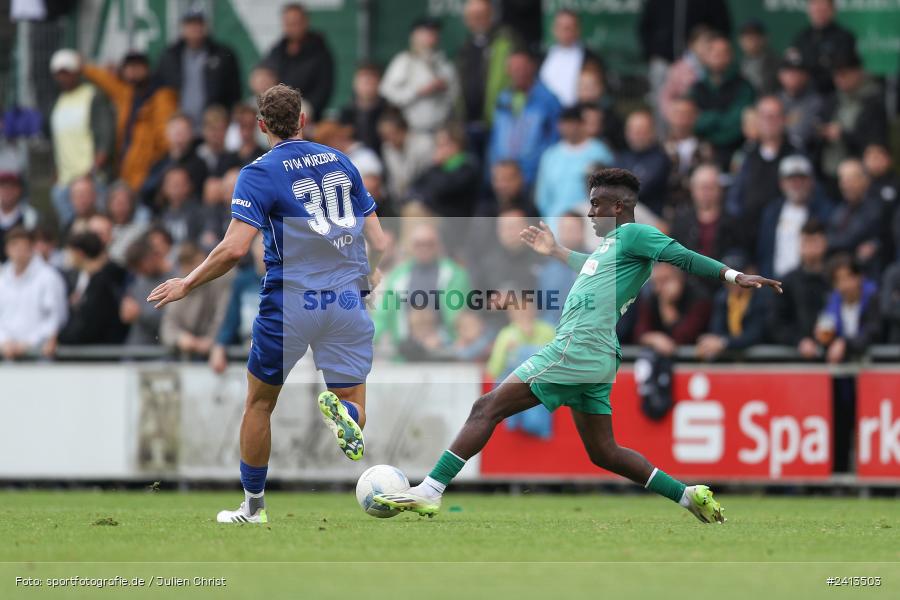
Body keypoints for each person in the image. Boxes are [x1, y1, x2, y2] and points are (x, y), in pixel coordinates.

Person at [375, 169, 781, 522]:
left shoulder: (637, 234)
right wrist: (555, 251)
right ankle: (687, 495)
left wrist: (733, 276)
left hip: (577, 347)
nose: (589, 213)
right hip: (598, 355)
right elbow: (590, 267)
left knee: (487, 407)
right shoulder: (611, 248)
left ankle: (429, 490)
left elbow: (681, 255)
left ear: (619, 207)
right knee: (604, 451)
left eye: (596, 205)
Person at [146, 84, 389, 524]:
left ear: (261, 126)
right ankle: (346, 414)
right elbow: (381, 241)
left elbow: (235, 249)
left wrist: (188, 282)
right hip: (346, 298)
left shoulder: (258, 173)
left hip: (291, 302)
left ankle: (253, 508)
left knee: (259, 405)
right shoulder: (342, 160)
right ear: (302, 120)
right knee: (353, 397)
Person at [82, 51, 178, 191]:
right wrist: (84, 67)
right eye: (129, 67)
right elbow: (106, 80)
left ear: (147, 69)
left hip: (148, 172)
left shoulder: (161, 97)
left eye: (138, 67)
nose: (133, 72)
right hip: (125, 171)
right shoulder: (127, 94)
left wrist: (154, 166)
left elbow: (166, 139)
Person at [48, 49, 115, 227]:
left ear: (77, 72)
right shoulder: (58, 101)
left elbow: (105, 136)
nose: (63, 77)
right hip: (65, 181)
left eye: (67, 72)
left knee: (96, 226)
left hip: (91, 179)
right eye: (59, 73)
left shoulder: (93, 95)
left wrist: (92, 171)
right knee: (72, 230)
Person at [725, 96, 796, 252]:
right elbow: (735, 198)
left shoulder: (795, 154)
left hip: (784, 236)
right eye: (764, 116)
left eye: (774, 116)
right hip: (748, 238)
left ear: (784, 120)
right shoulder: (746, 155)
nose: (769, 121)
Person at [155, 8, 241, 131]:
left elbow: (234, 93)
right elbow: (161, 91)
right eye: (191, 24)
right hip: (180, 129)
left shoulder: (222, 55)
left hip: (213, 128)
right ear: (183, 27)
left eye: (199, 23)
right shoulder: (170, 56)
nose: (195, 28)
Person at [487, 50, 562, 186]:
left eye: (522, 67)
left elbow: (555, 140)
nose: (518, 72)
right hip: (504, 179)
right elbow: (495, 138)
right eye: (513, 68)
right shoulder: (503, 98)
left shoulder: (548, 100)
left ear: (532, 67)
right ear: (507, 71)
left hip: (534, 178)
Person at [379, 18, 458, 146]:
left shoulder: (444, 64)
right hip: (411, 133)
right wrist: (419, 91)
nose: (431, 36)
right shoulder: (404, 61)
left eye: (434, 32)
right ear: (414, 35)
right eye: (426, 32)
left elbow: (455, 97)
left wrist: (443, 88)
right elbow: (387, 92)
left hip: (441, 133)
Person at [457, 0, 521, 152]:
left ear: (491, 15)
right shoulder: (464, 46)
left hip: (498, 123)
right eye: (472, 16)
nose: (477, 20)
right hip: (468, 124)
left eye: (481, 15)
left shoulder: (506, 40)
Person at [757, 155, 833, 279]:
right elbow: (764, 251)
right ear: (782, 183)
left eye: (802, 179)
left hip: (807, 283)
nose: (797, 184)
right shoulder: (772, 212)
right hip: (774, 282)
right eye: (791, 179)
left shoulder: (824, 211)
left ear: (811, 182)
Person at [535, 105, 614, 223]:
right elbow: (543, 196)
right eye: (564, 124)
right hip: (557, 222)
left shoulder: (600, 152)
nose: (568, 128)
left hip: (591, 221)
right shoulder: (550, 155)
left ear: (582, 124)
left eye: (572, 123)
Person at [819, 50, 888, 181]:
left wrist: (843, 135)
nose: (839, 79)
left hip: (861, 174)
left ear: (857, 72)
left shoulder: (874, 101)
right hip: (829, 171)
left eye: (844, 74)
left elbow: (875, 143)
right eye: (836, 75)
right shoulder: (833, 99)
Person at [0, 227, 67, 360]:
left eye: (23, 247)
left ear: (31, 249)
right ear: (7, 249)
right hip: (5, 354)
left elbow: (56, 317)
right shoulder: (2, 277)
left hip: (38, 356)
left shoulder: (49, 277)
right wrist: (4, 341)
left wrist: (28, 344)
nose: (18, 251)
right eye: (14, 246)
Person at [690, 35, 756, 168]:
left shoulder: (743, 86)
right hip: (701, 149)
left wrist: (709, 120)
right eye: (713, 52)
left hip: (736, 150)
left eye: (723, 53)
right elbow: (693, 122)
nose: (718, 56)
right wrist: (720, 118)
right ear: (705, 56)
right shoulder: (697, 87)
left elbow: (737, 123)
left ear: (730, 56)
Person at [261, 3, 335, 119]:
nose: (292, 27)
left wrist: (307, 110)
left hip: (305, 113)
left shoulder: (319, 51)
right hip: (276, 110)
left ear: (306, 22)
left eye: (296, 23)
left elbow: (323, 90)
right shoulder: (278, 49)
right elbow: (265, 72)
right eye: (288, 23)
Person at [769, 219, 831, 358]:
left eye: (814, 241)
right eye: (805, 242)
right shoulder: (787, 282)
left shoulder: (835, 279)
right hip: (798, 359)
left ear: (824, 243)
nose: (810, 248)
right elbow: (776, 323)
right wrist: (798, 341)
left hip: (835, 356)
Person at [160, 243, 232, 358]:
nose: (196, 268)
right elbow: (168, 326)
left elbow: (223, 317)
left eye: (197, 262)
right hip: (185, 355)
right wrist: (179, 338)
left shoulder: (222, 281)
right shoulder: (178, 285)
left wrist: (212, 340)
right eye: (188, 264)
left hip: (219, 351)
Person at [58, 231, 128, 345]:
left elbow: (91, 325)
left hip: (100, 352)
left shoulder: (103, 282)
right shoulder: (80, 278)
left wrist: (60, 338)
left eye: (70, 253)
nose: (68, 257)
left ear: (79, 254)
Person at [696, 260, 772, 361]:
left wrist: (724, 342)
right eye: (728, 275)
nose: (733, 280)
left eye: (737, 275)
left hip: (760, 361)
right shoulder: (722, 298)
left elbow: (755, 334)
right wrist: (711, 341)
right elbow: (716, 329)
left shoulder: (762, 297)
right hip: (730, 361)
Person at [633, 262, 712, 356]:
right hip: (660, 356)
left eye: (664, 281)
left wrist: (667, 305)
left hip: (697, 360)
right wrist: (654, 339)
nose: (658, 288)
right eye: (655, 282)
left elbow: (682, 338)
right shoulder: (651, 296)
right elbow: (639, 332)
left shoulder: (699, 299)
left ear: (679, 279)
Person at [816, 254, 880, 363]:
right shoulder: (830, 304)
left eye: (848, 277)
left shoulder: (873, 299)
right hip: (840, 370)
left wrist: (845, 344)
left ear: (859, 277)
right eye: (838, 280)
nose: (844, 285)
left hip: (872, 369)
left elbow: (873, 332)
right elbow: (824, 335)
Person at [407, 125, 480, 218]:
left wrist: (436, 166)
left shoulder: (467, 167)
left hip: (454, 221)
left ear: (455, 145)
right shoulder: (437, 168)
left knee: (414, 211)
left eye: (441, 145)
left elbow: (441, 189)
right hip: (435, 217)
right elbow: (416, 185)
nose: (437, 150)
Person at [141, 113, 208, 209]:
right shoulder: (159, 163)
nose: (179, 135)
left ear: (191, 134)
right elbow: (146, 193)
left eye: (183, 131)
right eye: (176, 131)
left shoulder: (199, 165)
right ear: (167, 133)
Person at [792, 0, 857, 94]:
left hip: (834, 92)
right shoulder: (802, 37)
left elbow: (840, 67)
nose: (819, 13)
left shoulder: (844, 36)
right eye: (816, 10)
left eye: (823, 10)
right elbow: (795, 63)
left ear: (832, 11)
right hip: (805, 93)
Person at [538, 9, 600, 108]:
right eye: (561, 27)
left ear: (578, 29)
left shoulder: (590, 58)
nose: (565, 31)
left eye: (570, 27)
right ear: (554, 29)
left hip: (576, 115)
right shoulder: (543, 56)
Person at [662, 97, 715, 211]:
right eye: (677, 113)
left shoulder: (705, 148)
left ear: (695, 116)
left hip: (696, 210)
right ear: (669, 116)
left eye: (686, 114)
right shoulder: (660, 147)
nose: (681, 118)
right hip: (665, 208)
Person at [615, 109, 670, 216]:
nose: (637, 135)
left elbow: (639, 190)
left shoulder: (660, 159)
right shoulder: (621, 157)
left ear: (652, 132)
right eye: (633, 131)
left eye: (642, 131)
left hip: (650, 218)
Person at [377, 108, 433, 205]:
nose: (388, 139)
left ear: (403, 130)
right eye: (384, 136)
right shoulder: (387, 148)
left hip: (425, 196)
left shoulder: (424, 144)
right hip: (401, 200)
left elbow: (428, 178)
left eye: (391, 133)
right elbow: (394, 181)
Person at [777, 47, 824, 154]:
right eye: (789, 71)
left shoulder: (816, 102)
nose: (793, 75)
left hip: (804, 154)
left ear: (806, 75)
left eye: (798, 71)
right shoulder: (773, 101)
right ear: (780, 75)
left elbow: (802, 134)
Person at [338, 63, 387, 154]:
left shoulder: (388, 111)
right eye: (363, 81)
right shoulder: (346, 112)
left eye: (370, 82)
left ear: (379, 83)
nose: (366, 86)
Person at [0, 171, 38, 262]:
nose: (7, 191)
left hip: (21, 267)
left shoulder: (29, 215)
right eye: (3, 187)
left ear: (19, 190)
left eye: (12, 187)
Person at [737, 20, 778, 95]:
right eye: (747, 36)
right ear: (740, 40)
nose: (751, 40)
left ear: (764, 39)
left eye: (755, 36)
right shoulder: (738, 64)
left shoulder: (775, 63)